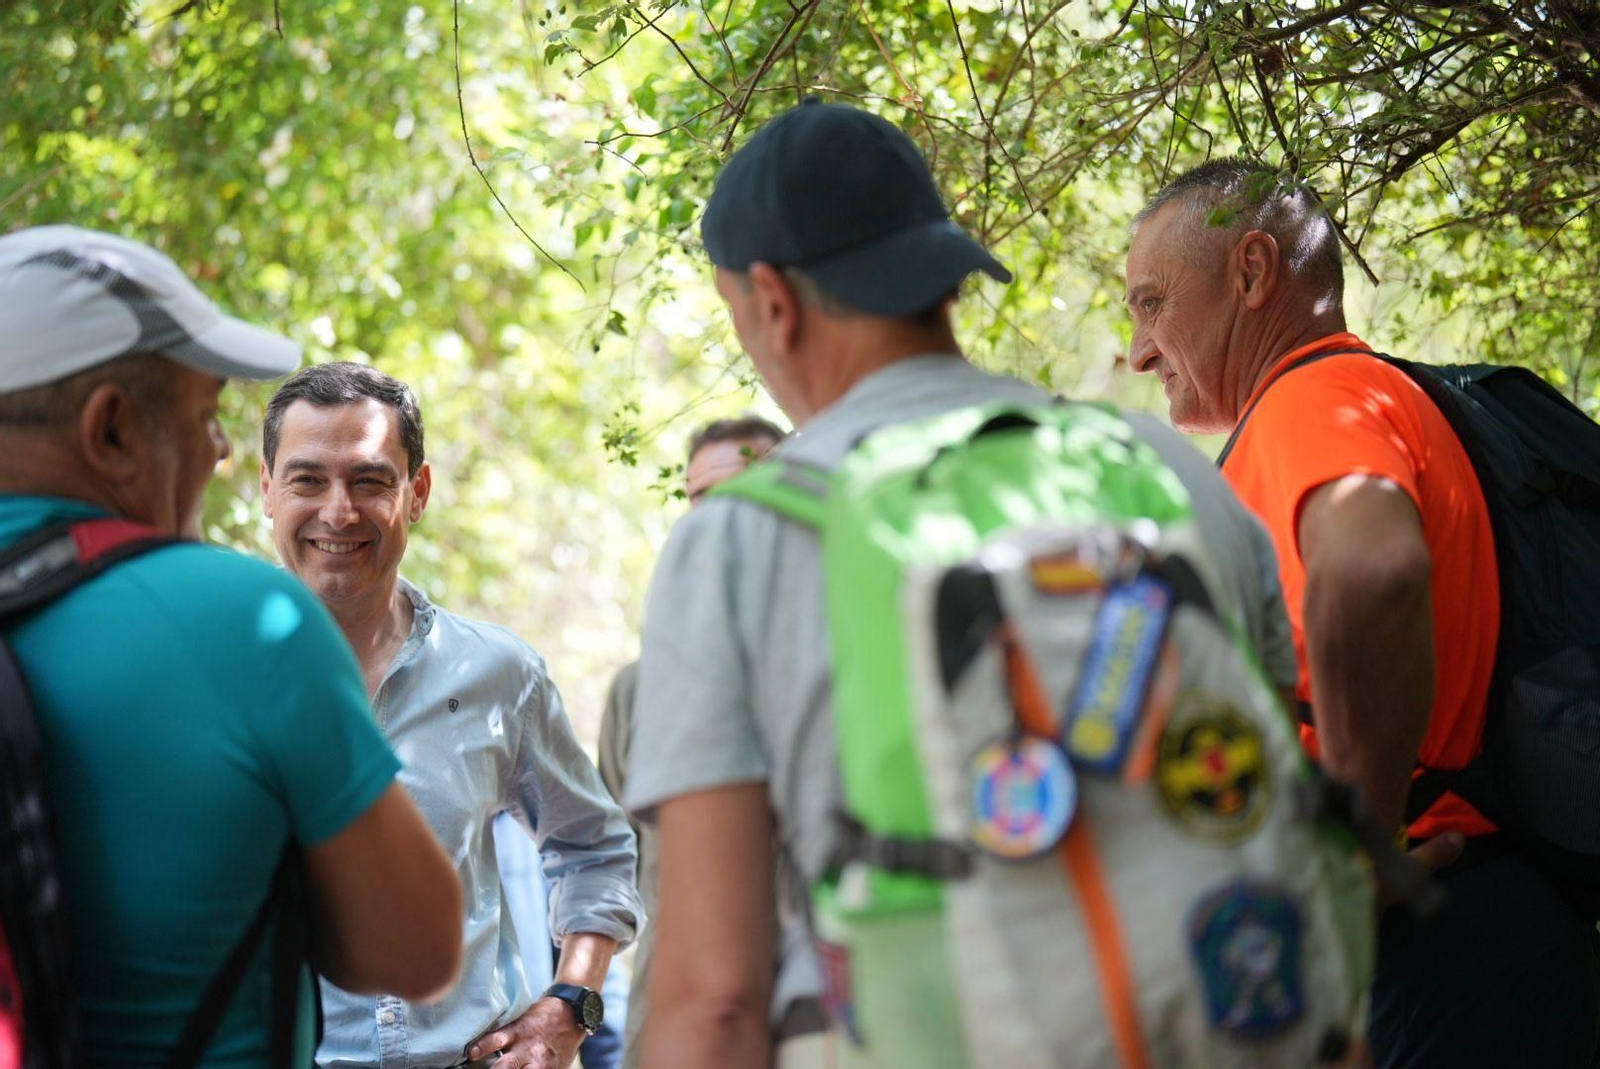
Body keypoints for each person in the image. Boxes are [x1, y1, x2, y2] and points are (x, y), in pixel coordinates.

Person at [623, 103, 1301, 1069]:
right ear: (939, 269)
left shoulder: (738, 542)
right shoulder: (1169, 471)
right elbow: (1277, 825)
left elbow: (714, 994)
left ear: (771, 301)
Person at [1125, 158, 1600, 1067]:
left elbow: (1374, 569)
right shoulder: (1378, 397)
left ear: (1252, 271)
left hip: (1437, 938)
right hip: (1489, 928)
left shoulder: (1312, 399)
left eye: (1152, 303)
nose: (1141, 349)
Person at [0, 225, 462, 1066]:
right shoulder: (246, 621)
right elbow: (419, 951)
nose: (218, 450)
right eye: (206, 416)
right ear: (110, 431)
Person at [258, 362, 644, 1069]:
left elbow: (596, 848)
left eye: (370, 481)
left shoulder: (498, 674)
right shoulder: (214, 674)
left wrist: (571, 1004)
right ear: (266, 489)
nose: (338, 511)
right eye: (307, 480)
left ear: (418, 493)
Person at [592, 414, 785, 1069]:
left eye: (739, 491)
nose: (713, 518)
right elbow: (611, 859)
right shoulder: (636, 692)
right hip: (672, 1032)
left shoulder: (845, 664)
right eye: (697, 498)